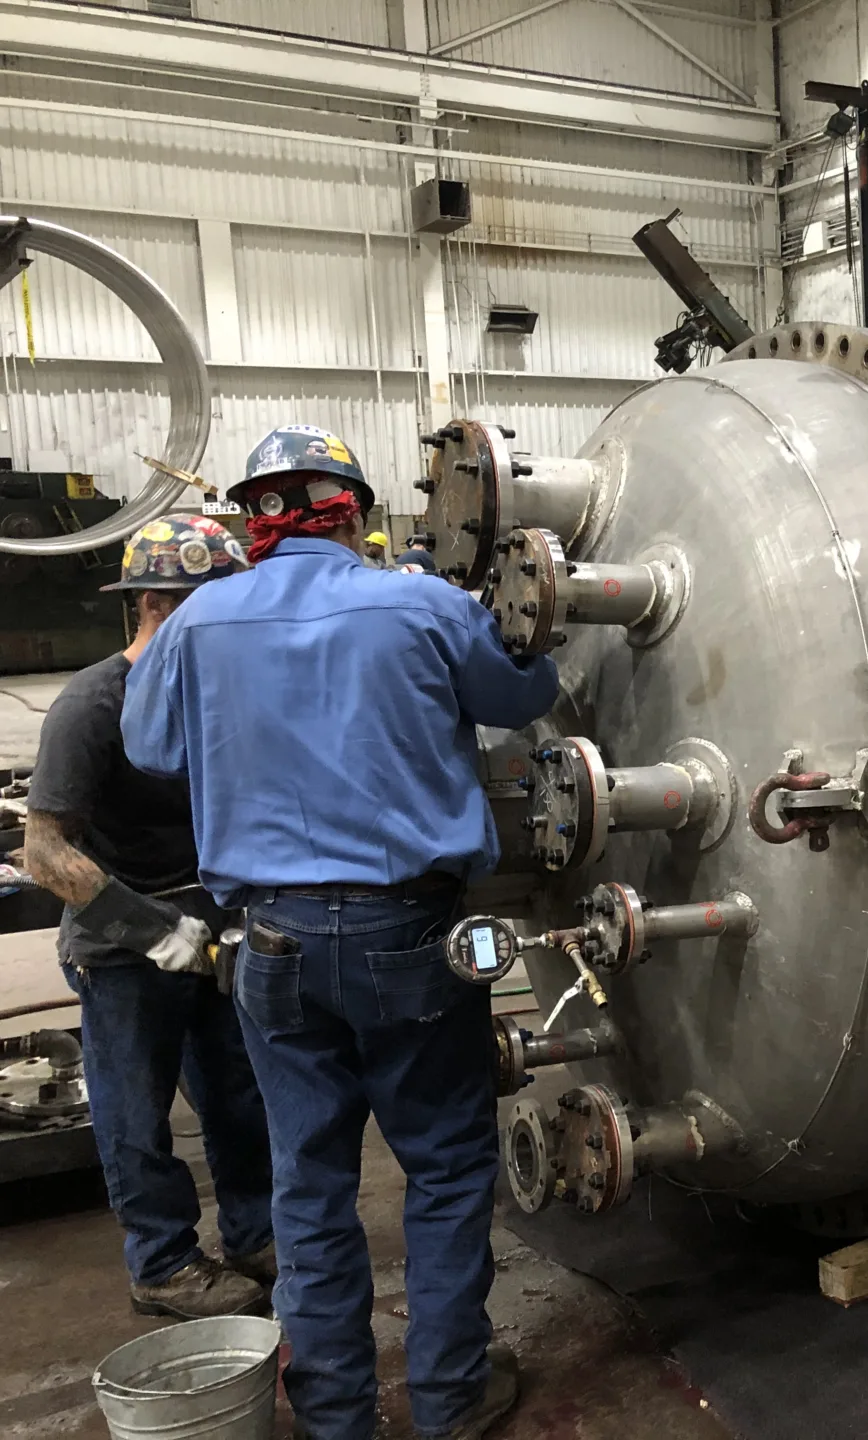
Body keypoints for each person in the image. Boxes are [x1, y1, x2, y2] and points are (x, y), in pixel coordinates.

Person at [122, 425, 558, 1440]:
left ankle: (334, 1419)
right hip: (410, 933)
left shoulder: (201, 622)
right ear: (357, 512)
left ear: (253, 519)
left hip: (268, 943)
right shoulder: (420, 603)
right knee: (446, 1170)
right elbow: (528, 693)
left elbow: (149, 749)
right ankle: (449, 1402)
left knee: (308, 1186)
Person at [25, 514, 275, 1319]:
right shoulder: (93, 707)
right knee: (136, 1115)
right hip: (126, 948)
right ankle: (164, 1263)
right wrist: (154, 931)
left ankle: (257, 1234)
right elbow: (45, 854)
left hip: (218, 935)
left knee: (240, 1099)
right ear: (160, 610)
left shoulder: (222, 703)